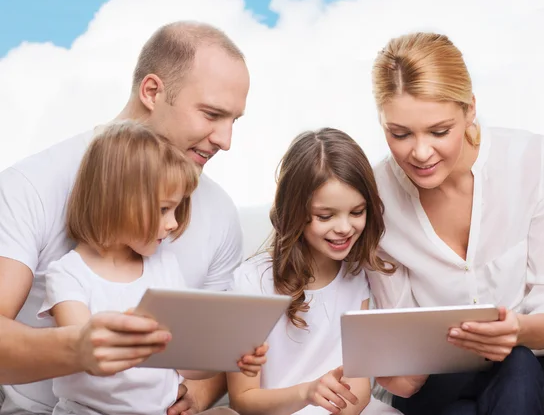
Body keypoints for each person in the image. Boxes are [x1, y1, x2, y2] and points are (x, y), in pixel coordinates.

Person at [0, 21, 250, 415]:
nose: (225, 140)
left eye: (234, 120)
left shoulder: (219, 213)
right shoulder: (30, 186)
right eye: (211, 114)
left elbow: (208, 349)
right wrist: (79, 347)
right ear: (152, 91)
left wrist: (199, 395)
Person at [368, 31, 544, 415]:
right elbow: (400, 340)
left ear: (470, 109)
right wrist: (391, 365)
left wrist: (517, 331)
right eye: (399, 134)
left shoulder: (533, 161)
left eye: (439, 131)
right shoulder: (376, 197)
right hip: (441, 378)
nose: (420, 153)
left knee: (516, 364)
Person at [38, 121, 266, 415]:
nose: (172, 224)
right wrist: (144, 340)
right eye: (163, 209)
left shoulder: (165, 267)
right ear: (117, 202)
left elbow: (186, 365)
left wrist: (229, 357)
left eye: (176, 209)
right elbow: (87, 355)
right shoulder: (68, 274)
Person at [227, 128, 406, 415]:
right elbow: (243, 397)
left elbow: (359, 388)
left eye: (357, 212)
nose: (345, 228)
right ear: (295, 211)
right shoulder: (251, 283)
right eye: (326, 216)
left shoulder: (357, 275)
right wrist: (307, 393)